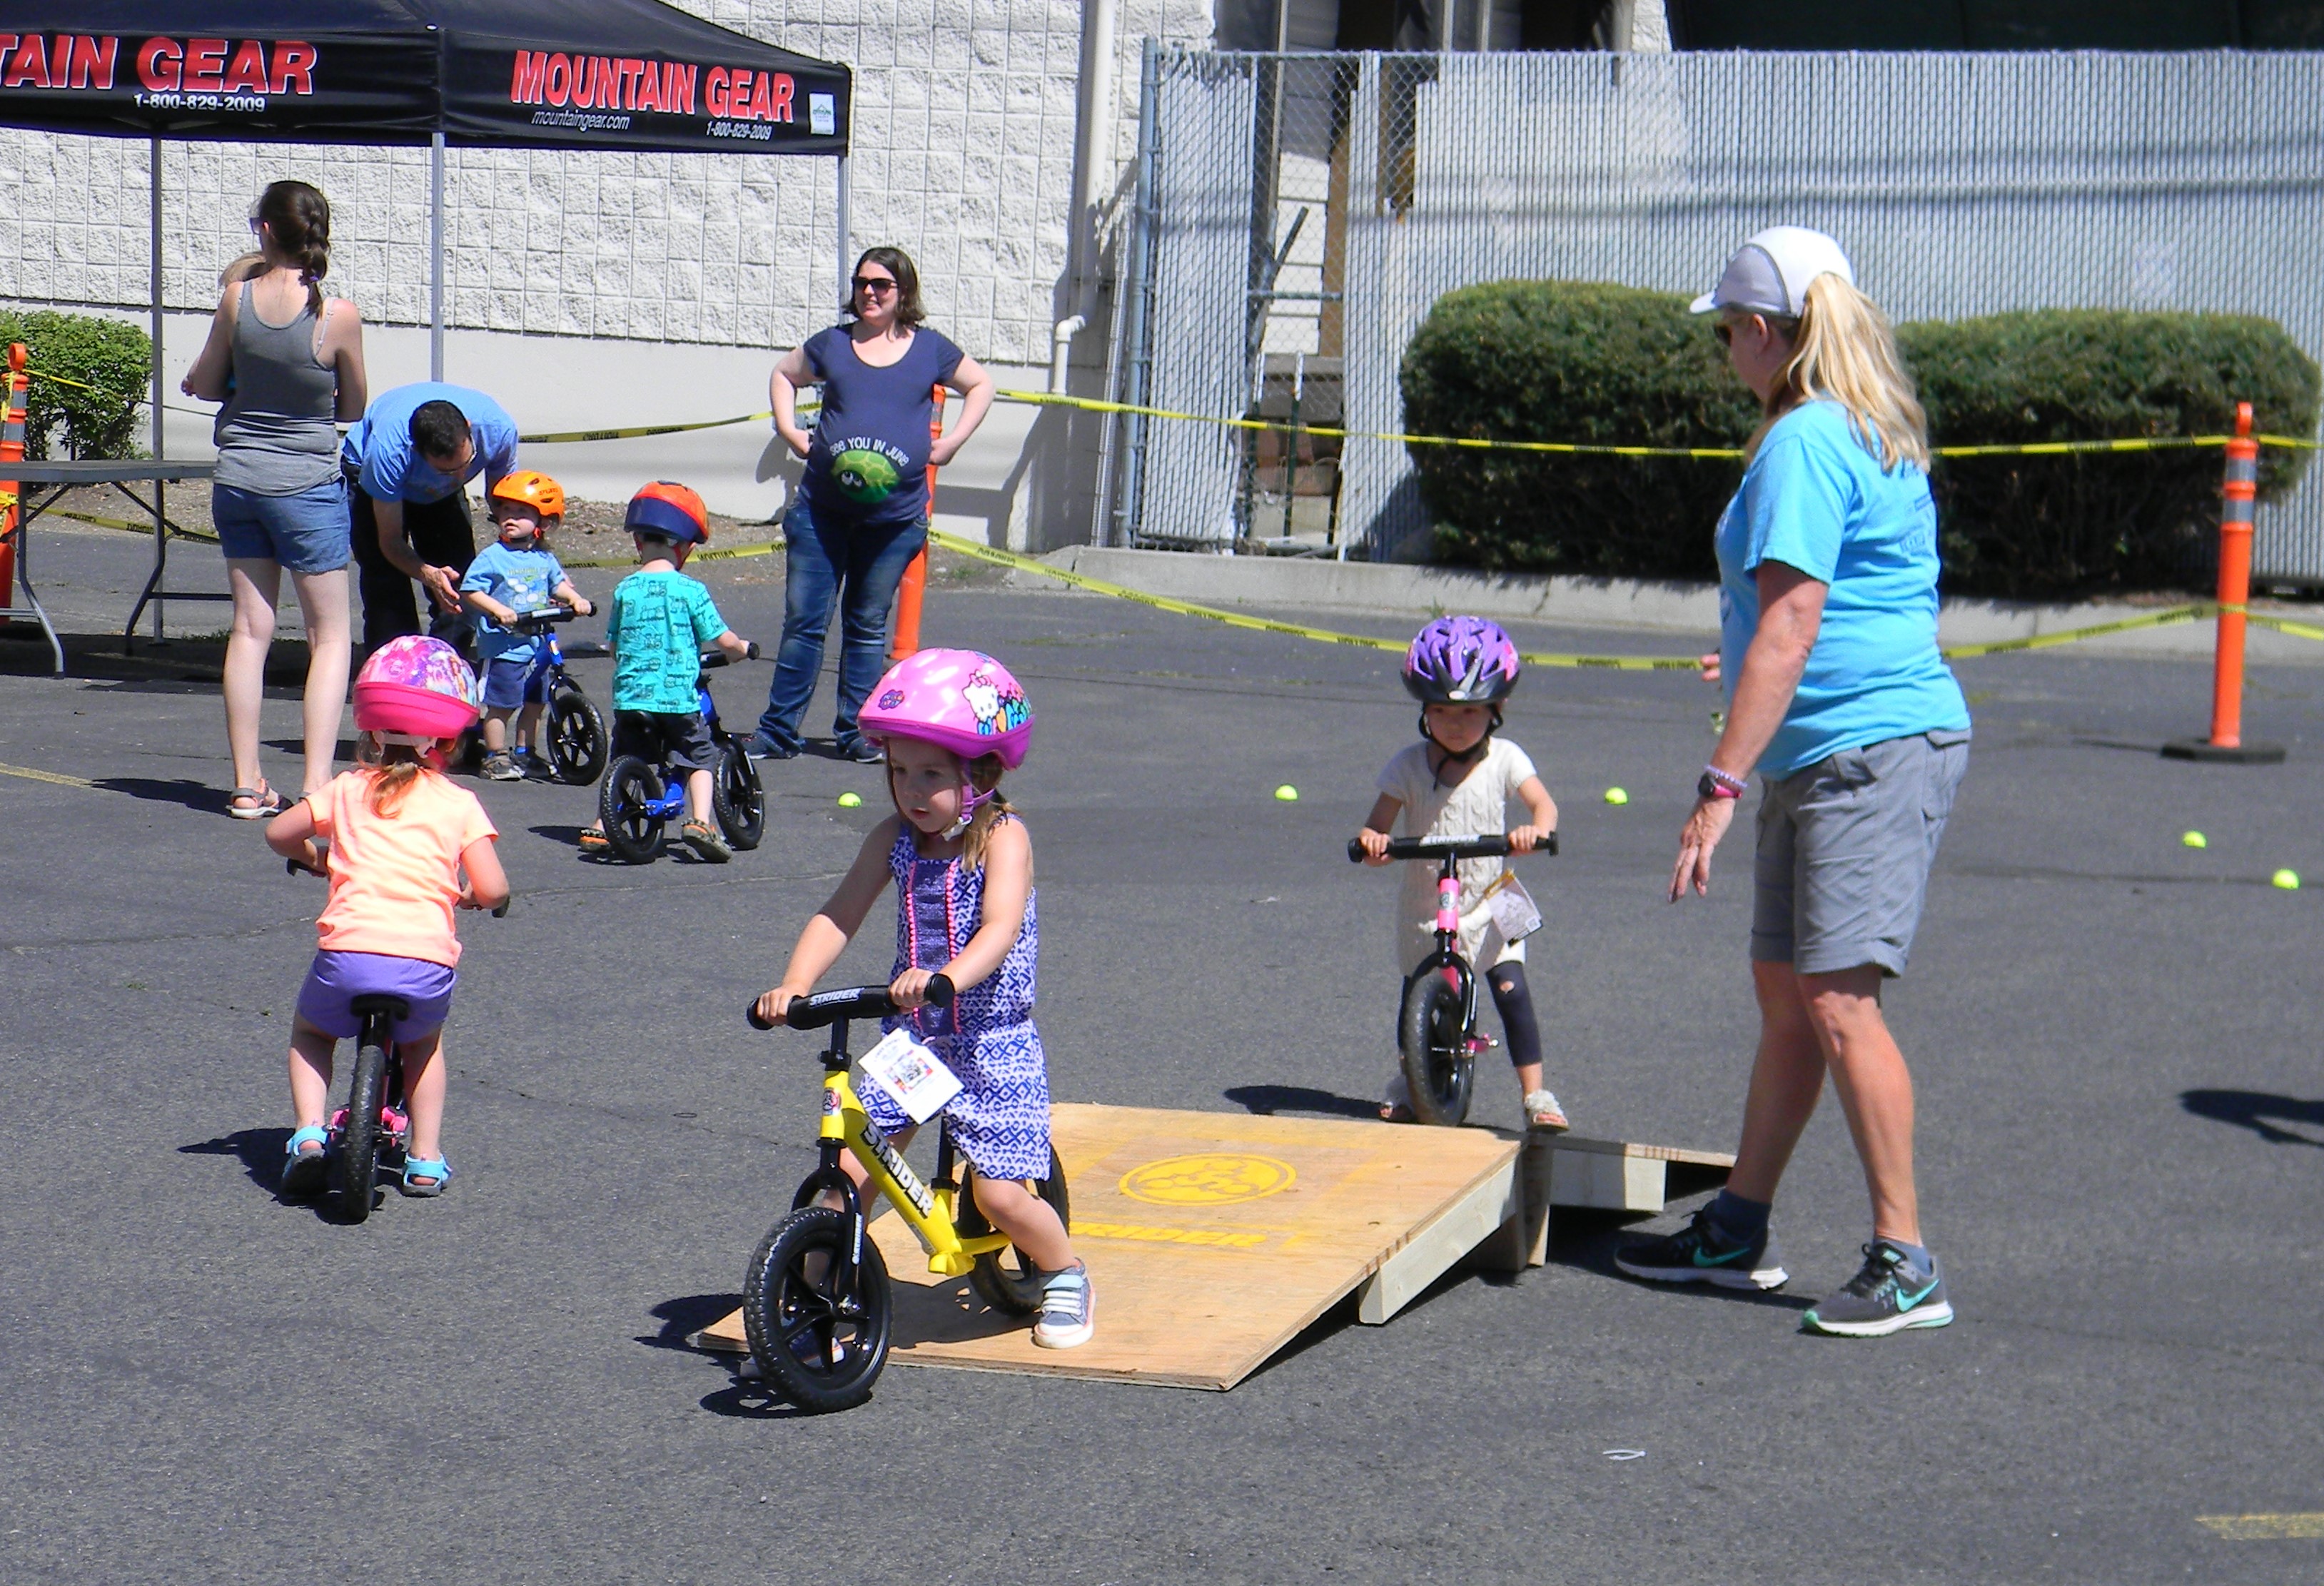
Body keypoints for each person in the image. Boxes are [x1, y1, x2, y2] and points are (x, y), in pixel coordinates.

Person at [1614, 226, 1971, 1338]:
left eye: (1727, 330)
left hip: (1865, 752)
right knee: (1788, 994)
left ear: (1764, 332)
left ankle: (1905, 1258)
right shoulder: (1858, 428)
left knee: (1837, 1002)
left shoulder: (1806, 440)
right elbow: (1832, 605)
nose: (1725, 347)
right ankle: (1737, 1225)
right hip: (1829, 742)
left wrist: (1717, 784)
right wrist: (1759, 660)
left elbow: (1798, 617)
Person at [752, 648, 1092, 1350]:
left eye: (931, 774)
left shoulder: (1003, 836)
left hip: (992, 1041)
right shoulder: (895, 839)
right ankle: (819, 1294)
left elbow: (998, 926)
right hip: (918, 1043)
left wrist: (949, 977)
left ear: (984, 772)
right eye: (899, 771)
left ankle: (1064, 1272)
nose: (911, 790)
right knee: (848, 1174)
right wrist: (795, 982)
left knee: (998, 1194)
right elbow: (838, 913)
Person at [266, 635, 508, 1201]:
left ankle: (307, 1134)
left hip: (348, 954)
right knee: (423, 1047)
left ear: (371, 729)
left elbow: (279, 832)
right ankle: (424, 1160)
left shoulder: (348, 789)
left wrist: (317, 859)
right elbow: (494, 887)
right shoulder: (456, 802)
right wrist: (472, 896)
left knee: (312, 1032)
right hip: (423, 962)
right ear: (447, 735)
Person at [749, 247, 995, 763]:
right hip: (822, 513)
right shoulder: (832, 345)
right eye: (863, 283)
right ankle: (777, 733)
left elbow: (980, 385)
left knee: (866, 624)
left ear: (903, 291)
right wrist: (792, 431)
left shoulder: (930, 350)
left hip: (893, 520)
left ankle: (857, 733)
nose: (870, 292)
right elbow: (783, 375)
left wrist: (952, 444)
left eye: (882, 284)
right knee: (804, 622)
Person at [179, 179, 367, 818]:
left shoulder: (236, 299)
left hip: (239, 479)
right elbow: (355, 404)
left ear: (264, 231)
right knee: (330, 636)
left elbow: (205, 382)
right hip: (307, 483)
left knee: (250, 631)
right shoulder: (336, 313)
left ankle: (245, 781)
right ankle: (316, 785)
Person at [1354, 617, 1566, 1130]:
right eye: (1443, 711)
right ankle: (1412, 1086)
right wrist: (1375, 844)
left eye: (1470, 711)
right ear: (1423, 711)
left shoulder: (1505, 759)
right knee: (1415, 1000)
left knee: (1512, 989)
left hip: (1493, 897)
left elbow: (1544, 807)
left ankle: (1537, 1095)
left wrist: (1532, 833)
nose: (1455, 723)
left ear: (1497, 710)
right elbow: (1375, 828)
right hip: (1428, 904)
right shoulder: (1407, 766)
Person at [578, 483, 755, 863]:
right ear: (685, 547)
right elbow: (723, 639)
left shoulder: (625, 589)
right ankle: (700, 821)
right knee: (700, 756)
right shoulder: (690, 590)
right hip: (676, 699)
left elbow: (612, 645)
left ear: (639, 543)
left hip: (630, 699)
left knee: (627, 757)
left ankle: (599, 824)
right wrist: (741, 650)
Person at [343, 382, 520, 651]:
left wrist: (523, 561)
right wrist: (427, 573)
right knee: (386, 581)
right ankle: (395, 667)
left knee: (461, 581)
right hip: (368, 476)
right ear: (417, 451)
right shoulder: (389, 453)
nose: (462, 477)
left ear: (469, 428)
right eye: (448, 471)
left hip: (436, 494)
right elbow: (389, 542)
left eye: (467, 463)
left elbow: (503, 505)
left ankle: (445, 660)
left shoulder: (499, 431)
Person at [460, 470, 593, 782]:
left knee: (535, 703)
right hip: (505, 645)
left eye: (521, 513)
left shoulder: (544, 558)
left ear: (543, 523)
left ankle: (525, 752)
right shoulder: (493, 558)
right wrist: (498, 609)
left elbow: (557, 585)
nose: (511, 518)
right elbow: (471, 590)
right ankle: (495, 755)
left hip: (537, 644)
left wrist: (575, 599)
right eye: (506, 511)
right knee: (501, 704)